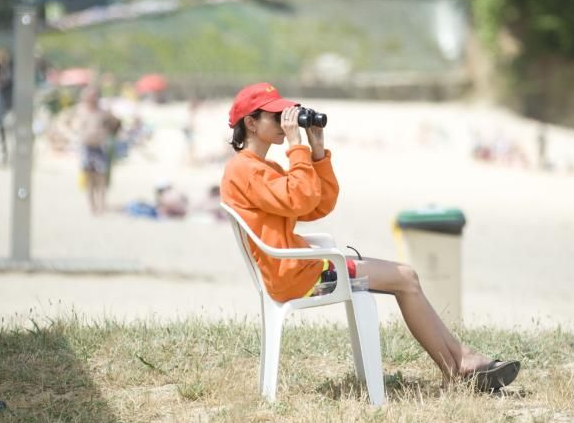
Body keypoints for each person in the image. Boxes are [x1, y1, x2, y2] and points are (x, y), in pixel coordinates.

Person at [220, 82, 521, 392]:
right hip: (296, 273)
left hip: (299, 268)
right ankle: (458, 365)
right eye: (277, 115)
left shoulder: (259, 168)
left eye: (288, 114)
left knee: (407, 277)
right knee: (406, 278)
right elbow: (300, 198)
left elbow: (319, 204)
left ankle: (461, 362)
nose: (286, 121)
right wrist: (297, 146)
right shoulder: (244, 170)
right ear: (251, 122)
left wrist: (318, 151)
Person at [72, 86, 116, 215]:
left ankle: (102, 204)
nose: (93, 98)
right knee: (89, 178)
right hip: (86, 147)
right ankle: (92, 206)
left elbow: (115, 124)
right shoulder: (80, 110)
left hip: (100, 147)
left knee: (101, 178)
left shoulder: (103, 112)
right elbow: (68, 122)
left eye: (95, 96)